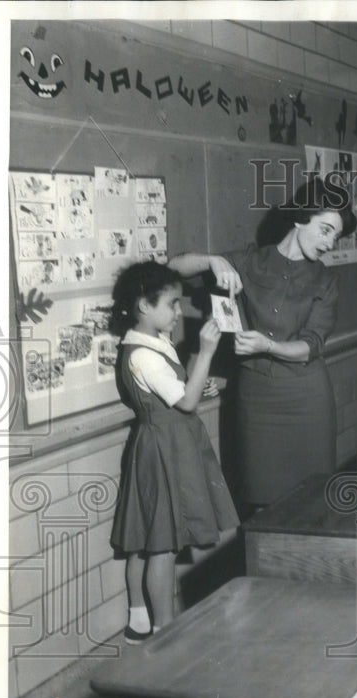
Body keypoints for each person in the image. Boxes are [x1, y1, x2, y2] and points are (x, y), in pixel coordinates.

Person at [168, 176, 357, 507]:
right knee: (260, 501)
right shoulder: (248, 261)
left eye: (336, 236)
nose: (330, 243)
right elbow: (173, 268)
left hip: (307, 400)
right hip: (254, 401)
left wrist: (269, 346)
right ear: (301, 217)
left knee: (312, 501)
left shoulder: (326, 280)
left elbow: (312, 346)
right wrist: (212, 260)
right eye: (325, 230)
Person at [109, 261, 239, 642]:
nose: (179, 312)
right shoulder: (142, 354)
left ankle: (138, 621)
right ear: (144, 306)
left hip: (162, 443)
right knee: (162, 545)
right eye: (172, 304)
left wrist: (203, 379)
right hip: (165, 447)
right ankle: (166, 630)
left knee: (145, 538)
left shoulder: (148, 342)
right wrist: (207, 352)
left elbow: (182, 387)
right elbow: (185, 402)